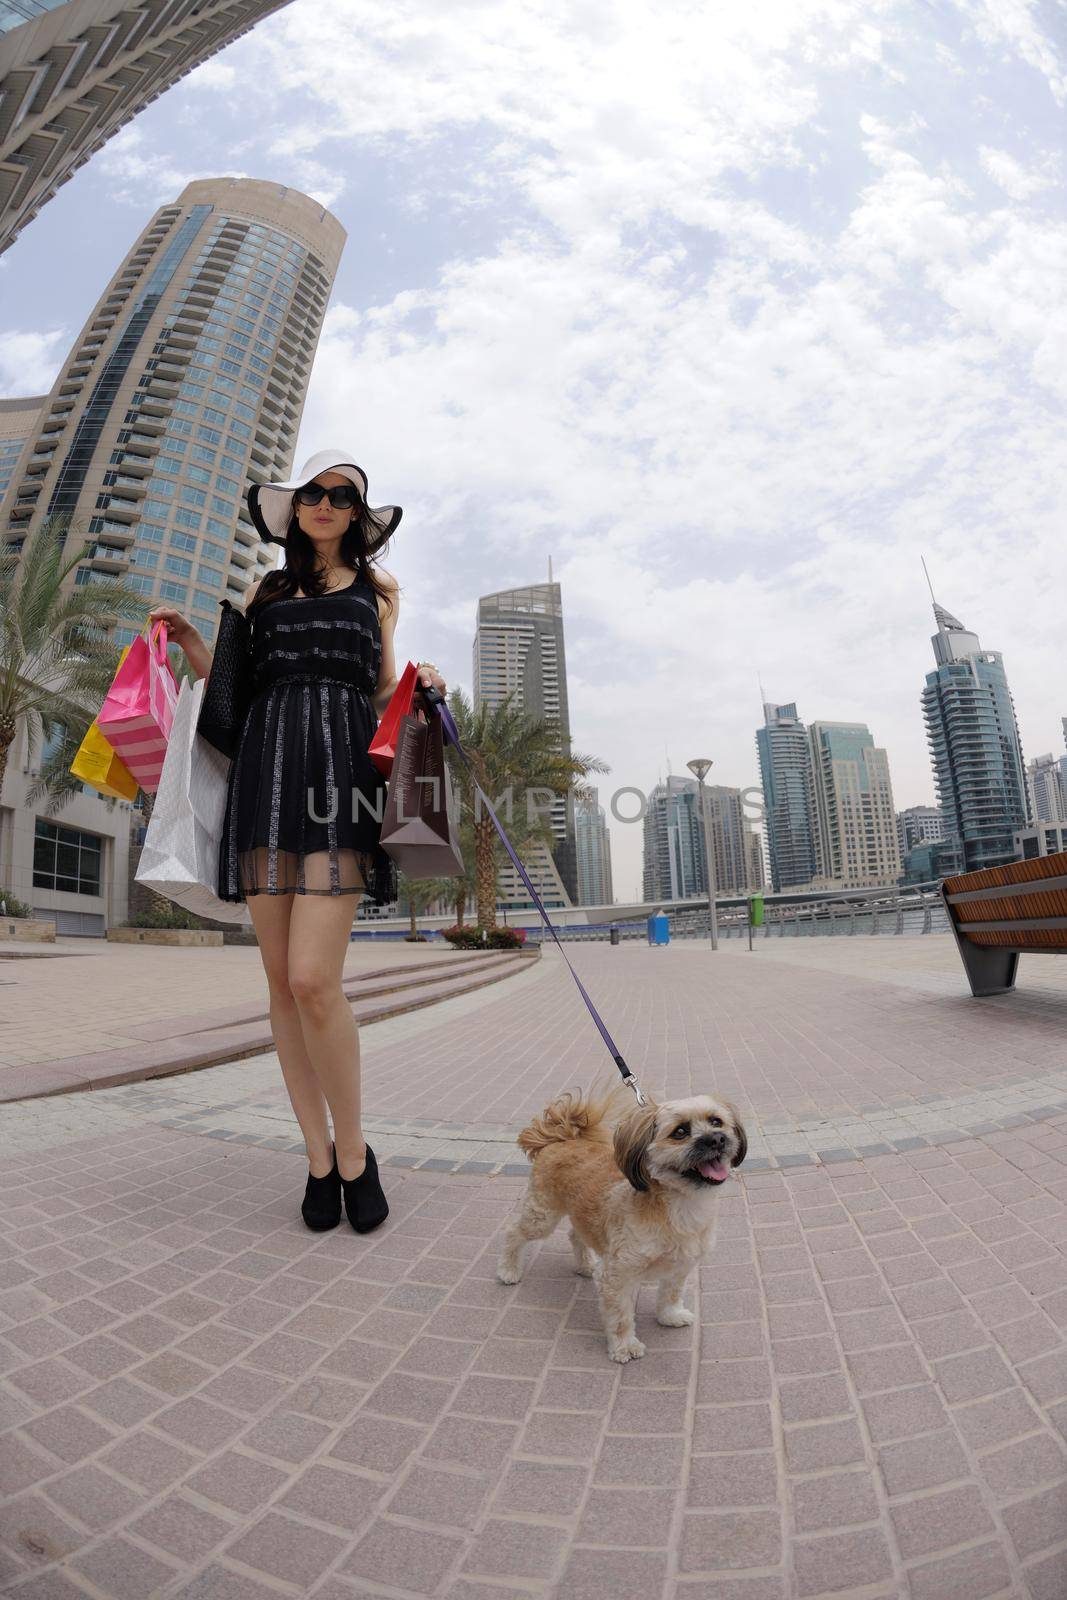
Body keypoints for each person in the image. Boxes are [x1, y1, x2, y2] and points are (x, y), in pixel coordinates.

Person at [149, 449, 446, 1235]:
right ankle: (316, 1158)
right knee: (280, 985)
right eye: (312, 493)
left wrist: (423, 685)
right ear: (296, 509)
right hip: (267, 772)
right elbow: (235, 690)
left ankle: (355, 1152)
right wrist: (189, 642)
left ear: (357, 515)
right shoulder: (266, 589)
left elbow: (381, 686)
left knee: (315, 979)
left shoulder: (377, 593)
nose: (323, 504)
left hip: (340, 773)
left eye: (339, 496)